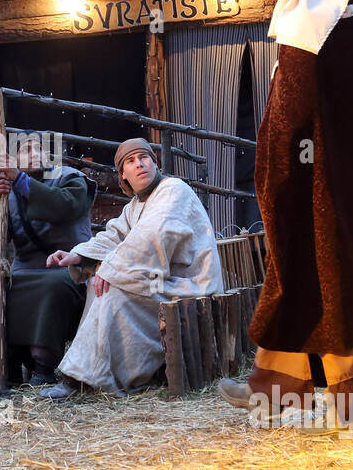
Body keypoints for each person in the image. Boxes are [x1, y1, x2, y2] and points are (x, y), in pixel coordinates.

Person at [216, 0, 353, 434]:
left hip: (311, 184)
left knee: (325, 286)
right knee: (298, 282)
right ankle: (272, 390)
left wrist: (274, 175)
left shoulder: (307, 23)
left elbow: (290, 114)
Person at [41, 138, 223, 398]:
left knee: (113, 289)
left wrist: (110, 268)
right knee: (98, 284)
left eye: (144, 158)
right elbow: (115, 236)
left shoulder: (173, 190)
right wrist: (77, 255)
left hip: (189, 284)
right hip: (164, 280)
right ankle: (92, 371)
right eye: (130, 161)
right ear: (123, 175)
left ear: (154, 162)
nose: (139, 164)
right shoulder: (136, 205)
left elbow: (152, 237)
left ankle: (99, 377)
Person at [0, 134, 95, 389]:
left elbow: (65, 206)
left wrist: (21, 180)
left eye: (39, 149)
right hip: (25, 267)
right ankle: (4, 367)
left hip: (69, 265)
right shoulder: (8, 190)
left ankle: (44, 366)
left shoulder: (70, 177)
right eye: (26, 150)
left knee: (51, 288)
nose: (35, 153)